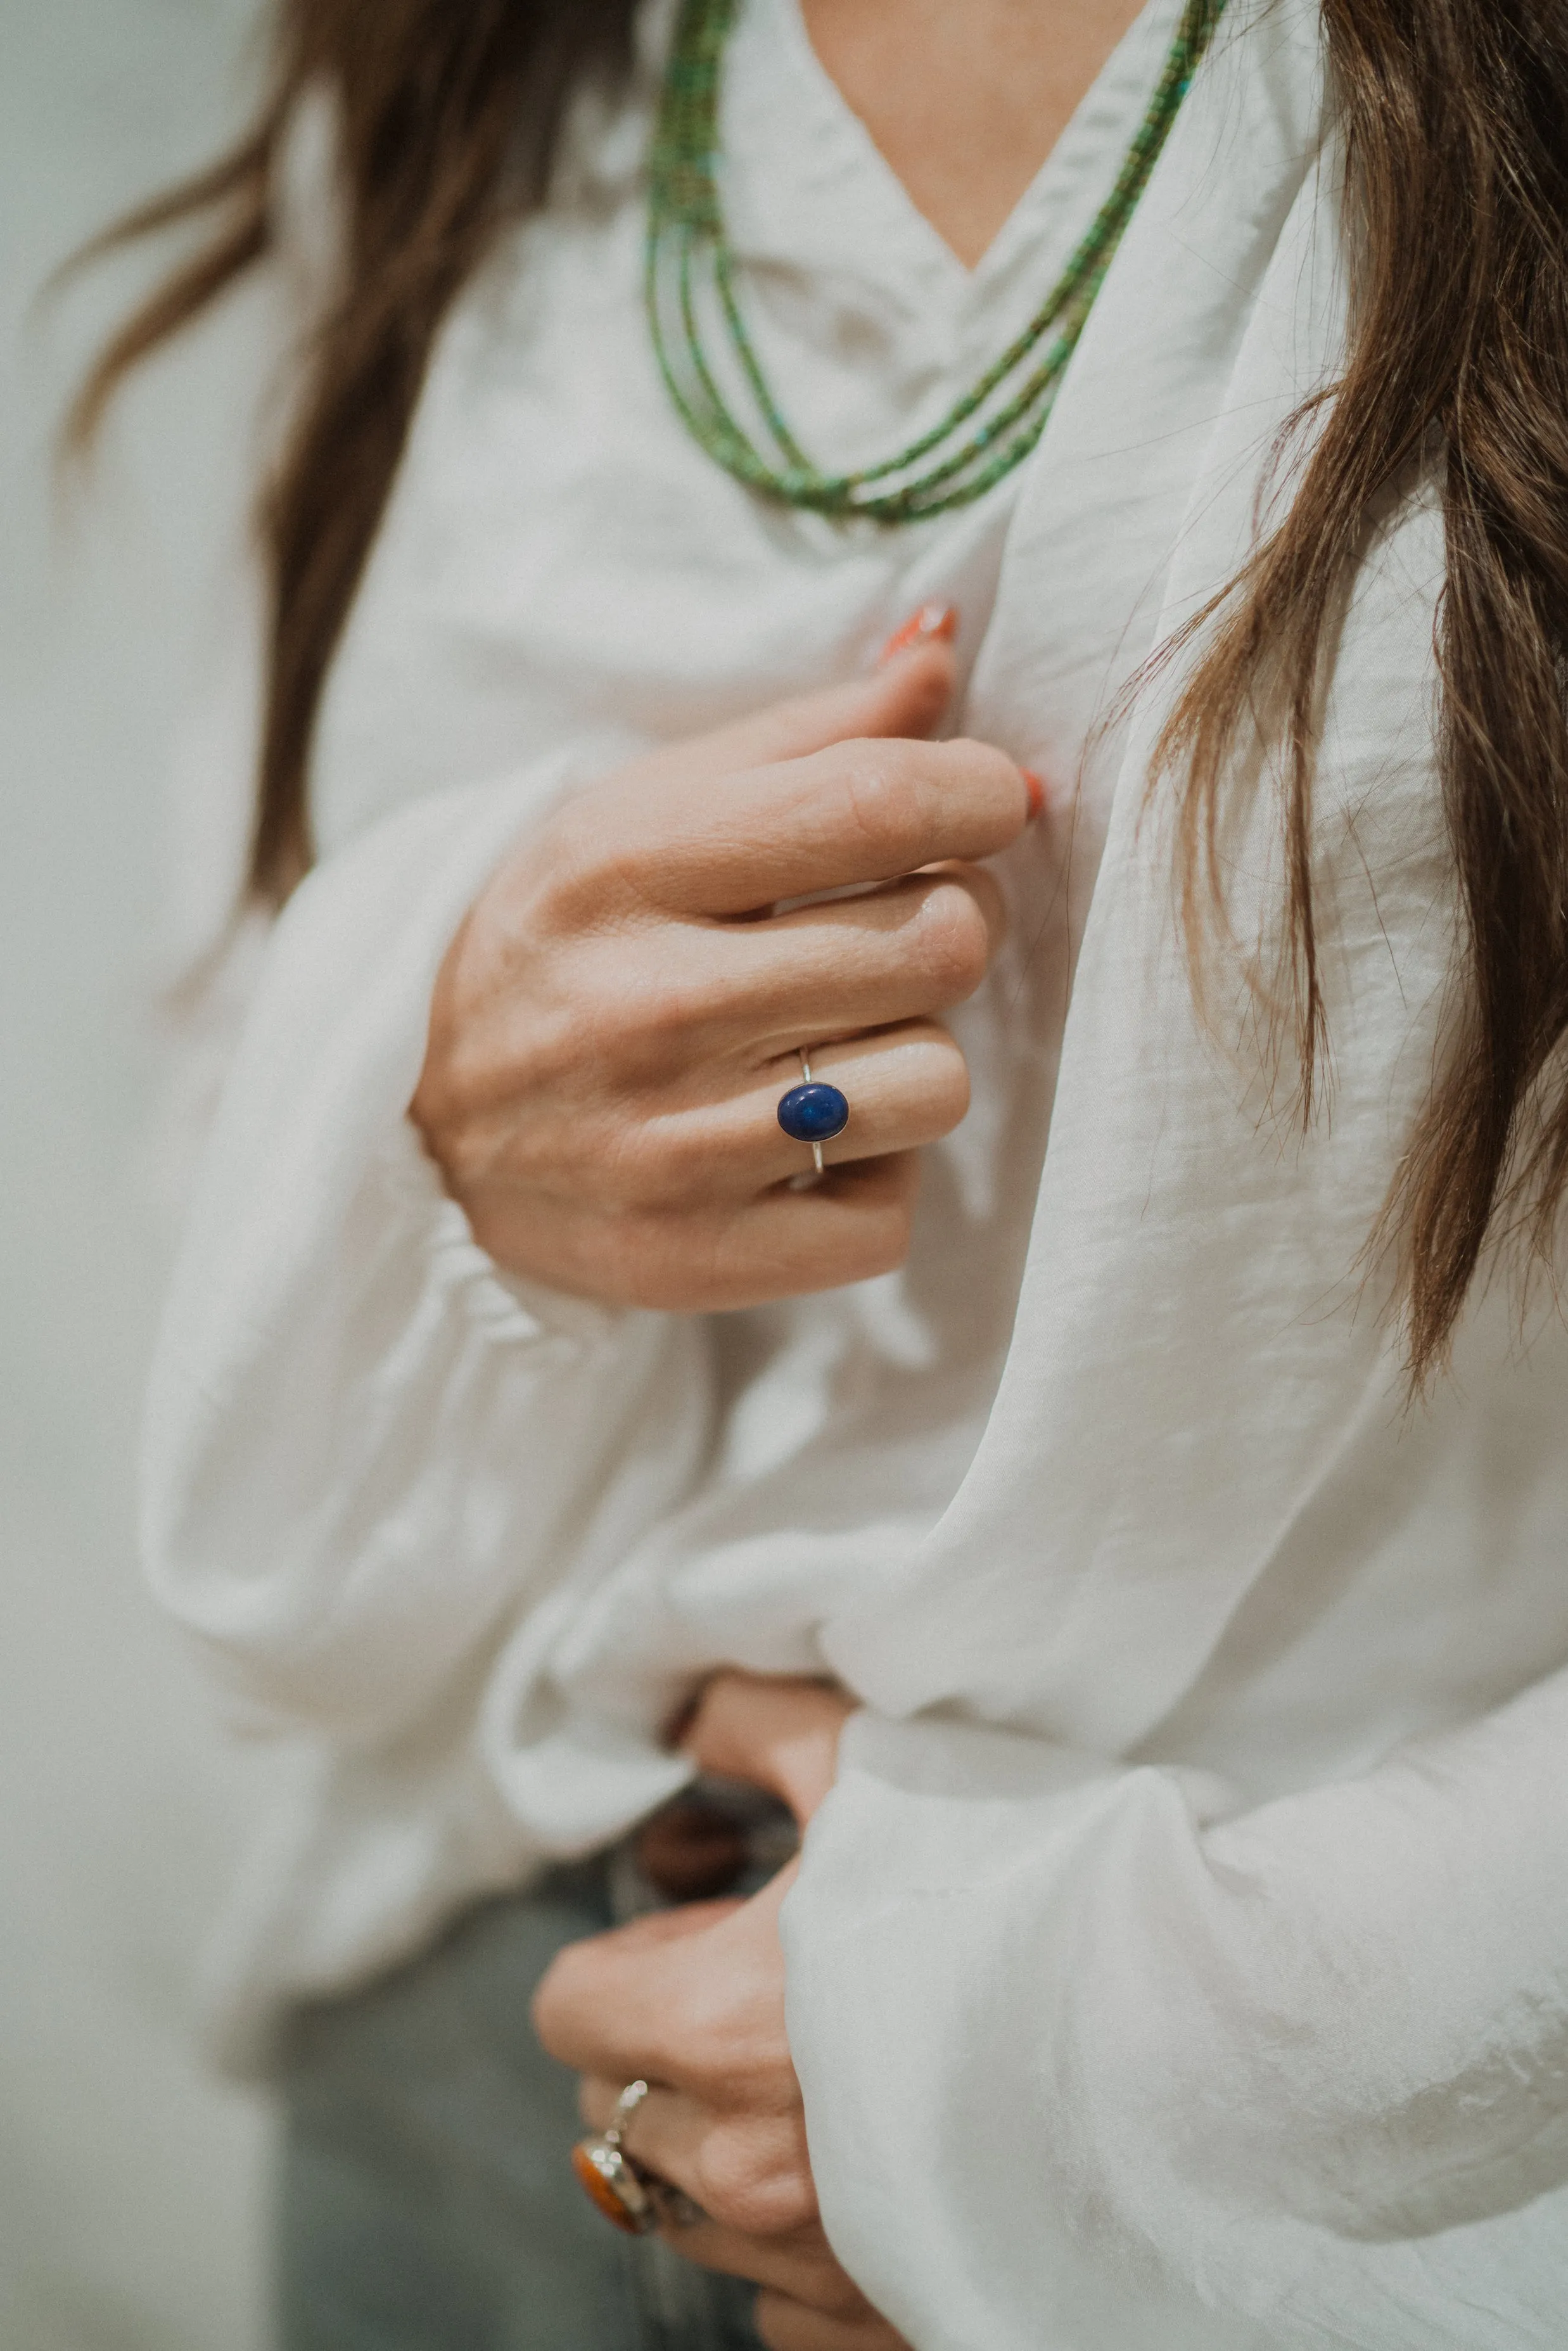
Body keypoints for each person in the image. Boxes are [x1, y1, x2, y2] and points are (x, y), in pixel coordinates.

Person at [87, 0, 1568, 2340]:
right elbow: (210, 1023)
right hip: (486, 2051)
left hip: (1287, 2171)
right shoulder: (460, 59)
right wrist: (439, 1089)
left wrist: (1085, 2067)